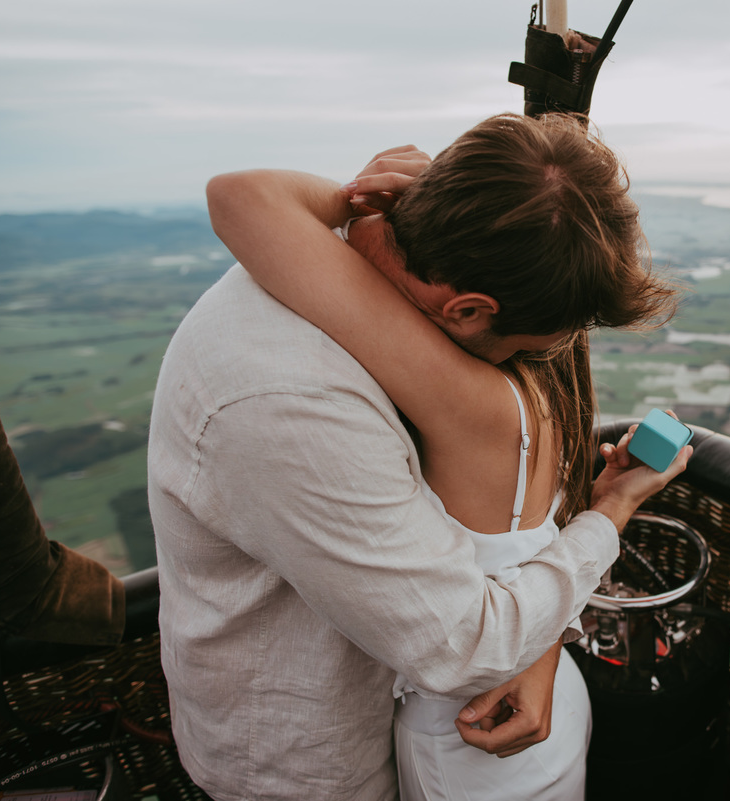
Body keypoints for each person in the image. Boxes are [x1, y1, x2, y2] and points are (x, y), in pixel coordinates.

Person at [148, 112, 689, 801]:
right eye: (525, 348)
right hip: (310, 752)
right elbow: (466, 645)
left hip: (401, 715)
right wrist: (608, 513)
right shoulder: (294, 403)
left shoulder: (372, 257)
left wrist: (547, 642)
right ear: (467, 310)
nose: (522, 369)